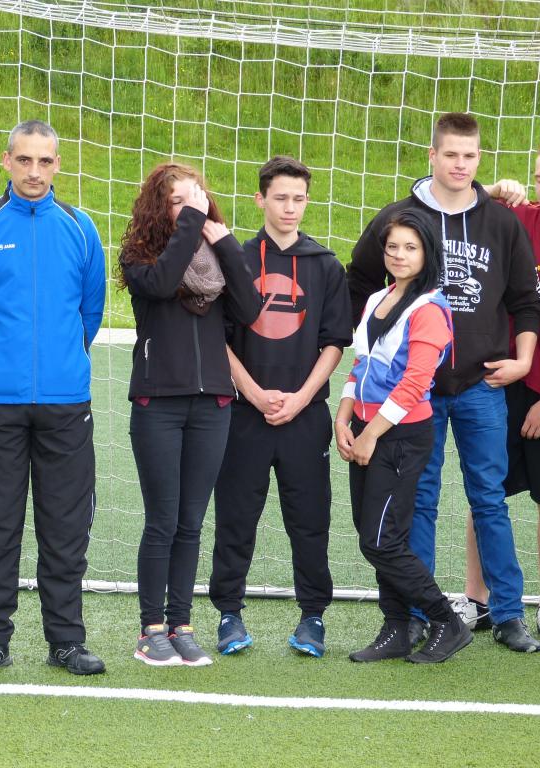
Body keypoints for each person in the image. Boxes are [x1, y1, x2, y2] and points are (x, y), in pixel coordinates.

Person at [347, 112, 540, 653]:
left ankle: (508, 614)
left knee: (489, 500)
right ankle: (418, 616)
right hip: (416, 395)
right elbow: (360, 284)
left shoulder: (501, 222)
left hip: (482, 385)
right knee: (418, 501)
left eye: (470, 155)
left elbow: (527, 301)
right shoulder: (399, 219)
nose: (460, 164)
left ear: (480, 158)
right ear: (432, 155)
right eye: (451, 154)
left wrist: (524, 360)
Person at [0, 120, 107, 676]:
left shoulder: (80, 228)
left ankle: (66, 641)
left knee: (65, 530)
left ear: (58, 164)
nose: (35, 171)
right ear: (6, 160)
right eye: (25, 160)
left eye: (45, 161)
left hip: (66, 405)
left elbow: (89, 312)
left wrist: (63, 364)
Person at [209, 156, 352, 659]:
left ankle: (313, 616)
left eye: (299, 198)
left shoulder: (326, 265)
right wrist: (252, 392)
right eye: (280, 198)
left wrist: (302, 397)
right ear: (260, 200)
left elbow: (334, 342)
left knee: (309, 519)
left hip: (304, 415)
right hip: (245, 415)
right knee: (236, 517)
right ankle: (229, 613)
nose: (290, 207)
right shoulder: (236, 260)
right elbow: (219, 339)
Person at [454, 134, 540, 643]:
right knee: (485, 492)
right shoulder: (517, 217)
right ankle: (476, 600)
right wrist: (495, 188)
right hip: (500, 379)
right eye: (539, 178)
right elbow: (457, 204)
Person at [119, 162, 261, 667]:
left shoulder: (219, 257)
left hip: (213, 405)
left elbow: (250, 310)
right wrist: (191, 225)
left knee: (191, 522)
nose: (190, 208)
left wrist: (226, 245)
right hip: (158, 404)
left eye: (195, 198)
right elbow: (161, 285)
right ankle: (150, 630)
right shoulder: (140, 256)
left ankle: (181, 624)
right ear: (160, 209)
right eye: (178, 201)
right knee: (163, 520)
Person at [336, 211, 471, 663]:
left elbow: (415, 382)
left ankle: (446, 622)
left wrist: (371, 434)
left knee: (381, 540)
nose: (399, 255)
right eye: (392, 246)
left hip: (400, 435)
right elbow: (360, 365)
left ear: (427, 253)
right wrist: (343, 418)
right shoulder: (378, 297)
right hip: (365, 428)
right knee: (373, 534)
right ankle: (395, 629)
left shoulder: (429, 308)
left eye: (410, 247)